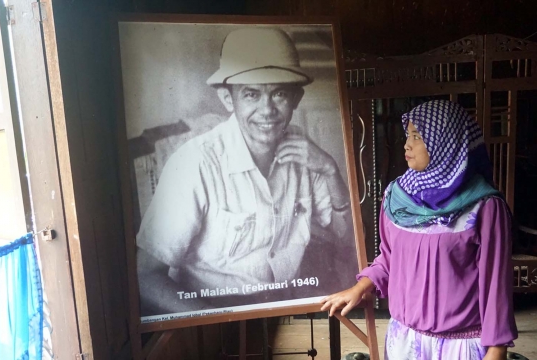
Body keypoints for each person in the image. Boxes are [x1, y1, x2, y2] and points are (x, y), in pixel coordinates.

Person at [136, 27, 353, 315]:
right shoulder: (195, 163)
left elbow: (344, 240)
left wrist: (330, 169)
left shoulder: (304, 150)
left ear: (296, 99)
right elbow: (146, 276)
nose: (267, 111)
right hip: (212, 311)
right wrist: (219, 322)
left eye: (279, 94)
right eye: (251, 94)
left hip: (285, 306)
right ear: (228, 99)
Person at [320, 100, 518, 359]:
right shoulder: (396, 197)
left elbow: (496, 285)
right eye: (407, 135)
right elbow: (389, 259)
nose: (407, 144)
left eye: (417, 136)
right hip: (405, 340)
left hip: (462, 345)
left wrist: (497, 348)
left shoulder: (484, 207)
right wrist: (359, 288)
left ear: (445, 141)